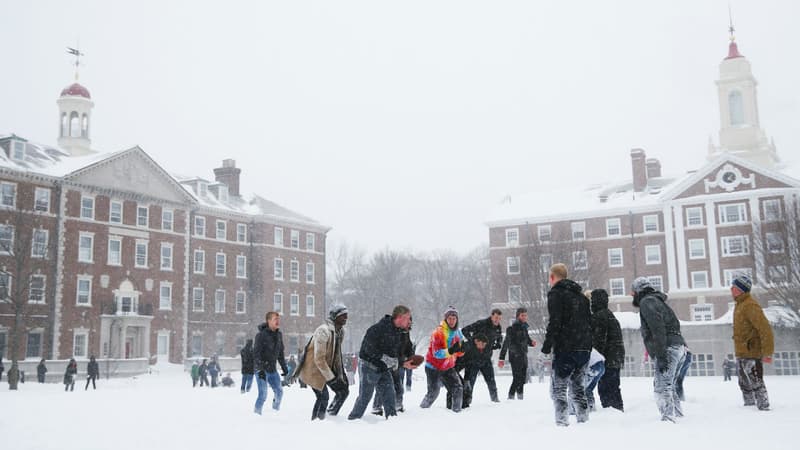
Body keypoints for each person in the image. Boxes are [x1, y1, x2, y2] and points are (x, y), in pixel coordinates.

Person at [541, 263, 592, 426]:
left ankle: (562, 425)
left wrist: (547, 346)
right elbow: (588, 322)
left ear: (552, 277)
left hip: (566, 348)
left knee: (560, 390)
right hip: (583, 348)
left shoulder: (556, 294)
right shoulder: (582, 297)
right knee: (578, 389)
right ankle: (584, 422)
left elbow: (555, 322)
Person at [631, 276, 687, 422]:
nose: (631, 294)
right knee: (670, 386)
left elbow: (658, 329)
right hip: (678, 347)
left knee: (662, 388)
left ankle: (668, 420)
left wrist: (661, 355)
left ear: (638, 291)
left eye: (633, 291)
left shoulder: (647, 302)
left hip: (668, 348)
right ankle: (678, 416)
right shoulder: (658, 302)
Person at [348, 305, 412, 420]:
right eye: (407, 318)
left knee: (390, 395)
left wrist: (402, 362)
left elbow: (395, 354)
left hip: (383, 369)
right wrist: (385, 359)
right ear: (400, 317)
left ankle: (391, 420)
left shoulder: (398, 332)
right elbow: (367, 348)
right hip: (368, 366)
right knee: (365, 397)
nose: (409, 321)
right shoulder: (379, 328)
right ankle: (353, 420)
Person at [297, 304, 350, 420]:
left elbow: (336, 354)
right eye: (343, 316)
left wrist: (340, 375)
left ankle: (331, 415)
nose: (346, 318)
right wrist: (331, 378)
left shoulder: (340, 332)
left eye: (347, 315)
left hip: (326, 368)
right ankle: (317, 422)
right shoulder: (323, 331)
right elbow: (319, 359)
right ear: (335, 317)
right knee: (323, 396)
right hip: (313, 369)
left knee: (343, 391)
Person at [731, 274, 774, 411]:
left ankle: (763, 406)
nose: (731, 289)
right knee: (743, 382)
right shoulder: (739, 304)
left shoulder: (750, 305)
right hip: (742, 352)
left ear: (741, 289)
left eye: (734, 287)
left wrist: (767, 352)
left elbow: (765, 329)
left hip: (752, 352)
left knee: (756, 381)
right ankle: (749, 406)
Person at [419, 306, 466, 413]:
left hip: (448, 367)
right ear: (446, 319)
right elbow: (436, 354)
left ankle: (456, 412)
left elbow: (458, 353)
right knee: (433, 393)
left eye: (454, 318)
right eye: (449, 318)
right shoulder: (438, 332)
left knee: (458, 388)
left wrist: (462, 350)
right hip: (433, 367)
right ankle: (421, 411)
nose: (452, 321)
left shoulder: (459, 333)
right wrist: (451, 350)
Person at [590, 288, 625, 411]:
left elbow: (599, 340)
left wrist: (594, 358)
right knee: (614, 387)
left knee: (606, 388)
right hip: (615, 358)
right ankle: (618, 409)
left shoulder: (599, 316)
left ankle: (612, 412)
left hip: (608, 359)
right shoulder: (610, 315)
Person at [373, 315, 414, 415]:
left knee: (398, 386)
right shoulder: (393, 332)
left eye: (410, 323)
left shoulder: (406, 332)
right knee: (384, 385)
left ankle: (398, 405)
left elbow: (408, 345)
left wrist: (411, 356)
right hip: (387, 363)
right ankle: (377, 407)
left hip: (398, 363)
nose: (408, 324)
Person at [461, 309, 503, 402]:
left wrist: (498, 343)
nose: (497, 320)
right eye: (496, 318)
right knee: (470, 382)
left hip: (486, 358)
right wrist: (472, 341)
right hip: (473, 358)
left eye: (499, 319)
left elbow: (500, 337)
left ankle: (495, 400)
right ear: (491, 316)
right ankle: (466, 401)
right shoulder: (481, 323)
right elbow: (465, 330)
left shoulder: (498, 327)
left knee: (491, 381)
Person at [253, 311, 289, 415]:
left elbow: (280, 353)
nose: (278, 321)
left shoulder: (279, 335)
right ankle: (256, 414)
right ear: (269, 321)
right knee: (263, 394)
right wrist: (260, 369)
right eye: (275, 319)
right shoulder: (260, 336)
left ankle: (275, 412)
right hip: (261, 370)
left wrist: (284, 367)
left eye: (278, 319)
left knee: (279, 392)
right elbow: (256, 354)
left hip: (272, 370)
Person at [499, 307, 536, 400]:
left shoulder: (525, 328)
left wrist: (531, 343)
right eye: (522, 315)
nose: (524, 317)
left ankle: (520, 397)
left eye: (525, 315)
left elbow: (527, 339)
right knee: (517, 378)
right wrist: (501, 358)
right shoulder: (512, 328)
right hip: (515, 356)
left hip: (523, 355)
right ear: (518, 316)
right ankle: (510, 397)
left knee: (522, 379)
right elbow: (506, 343)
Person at [448, 333, 492, 409]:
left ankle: (464, 405)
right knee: (456, 386)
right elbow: (451, 353)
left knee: (465, 386)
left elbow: (469, 364)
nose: (483, 347)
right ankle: (450, 406)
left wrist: (467, 379)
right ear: (476, 341)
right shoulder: (465, 346)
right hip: (450, 367)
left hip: (459, 368)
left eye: (484, 345)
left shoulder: (475, 349)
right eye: (482, 344)